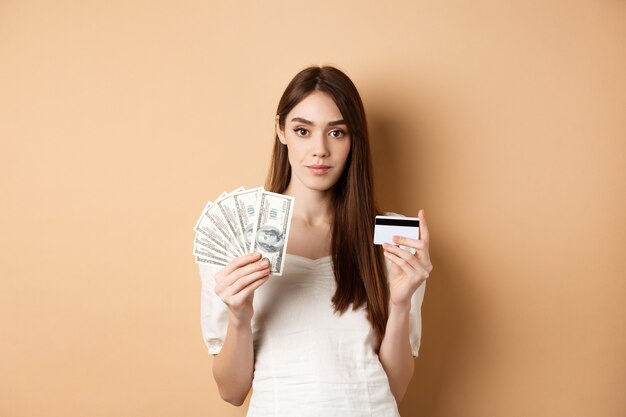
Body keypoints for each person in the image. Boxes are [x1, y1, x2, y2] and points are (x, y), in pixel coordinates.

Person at [198, 65, 432, 416]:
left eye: (337, 133)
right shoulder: (238, 234)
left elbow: (394, 389)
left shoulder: (393, 236)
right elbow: (232, 392)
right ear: (281, 130)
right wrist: (238, 315)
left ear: (354, 139)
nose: (319, 149)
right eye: (303, 130)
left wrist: (399, 305)